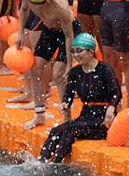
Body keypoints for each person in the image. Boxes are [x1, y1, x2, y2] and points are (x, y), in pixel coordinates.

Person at [39, 34, 121, 163]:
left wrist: (111, 108)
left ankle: (55, 163)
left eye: (79, 51)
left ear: (91, 52)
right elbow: (69, 94)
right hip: (85, 116)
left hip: (103, 119)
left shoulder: (104, 69)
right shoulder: (75, 72)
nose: (75, 55)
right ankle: (41, 161)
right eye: (73, 51)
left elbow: (117, 92)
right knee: (56, 131)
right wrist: (65, 103)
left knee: (71, 129)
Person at [19, 0, 75, 129]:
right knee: (35, 67)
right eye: (36, 5)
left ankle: (66, 120)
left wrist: (70, 64)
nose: (39, 7)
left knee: (58, 74)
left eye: (42, 4)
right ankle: (39, 115)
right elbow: (23, 10)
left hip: (67, 32)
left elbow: (69, 36)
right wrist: (20, 33)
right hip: (49, 30)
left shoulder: (60, 5)